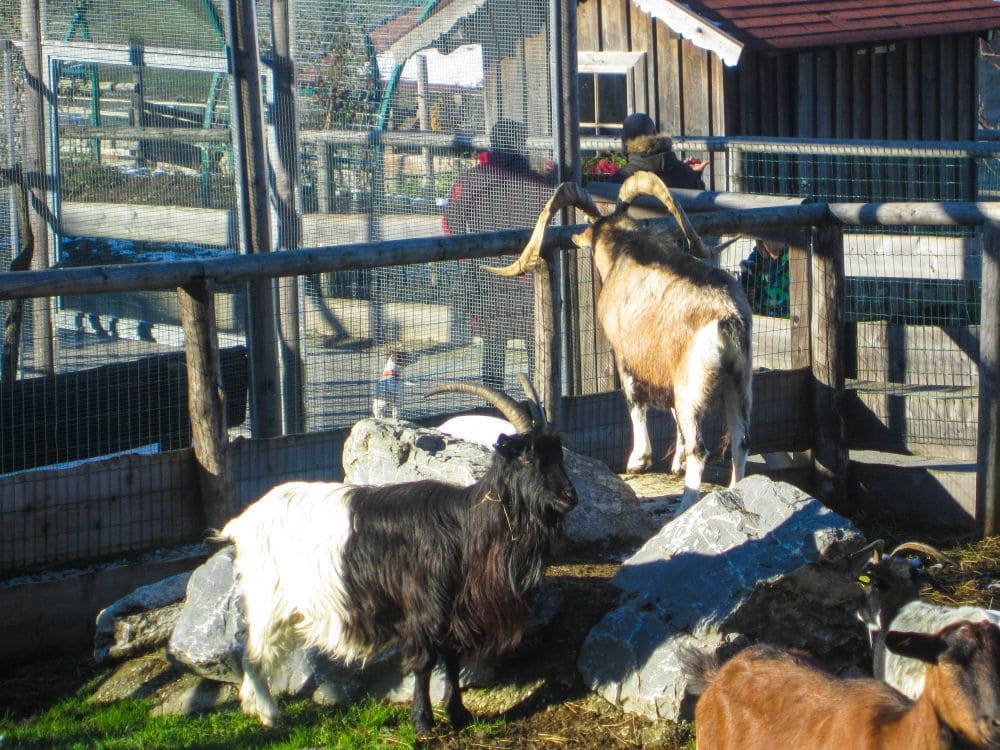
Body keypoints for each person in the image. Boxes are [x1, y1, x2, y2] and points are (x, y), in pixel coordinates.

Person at [442, 119, 551, 389]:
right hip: (528, 274)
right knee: (536, 345)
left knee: (493, 348)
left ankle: (494, 406)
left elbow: (449, 224)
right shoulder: (536, 182)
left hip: (488, 274)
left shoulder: (471, 180)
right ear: (518, 144)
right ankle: (539, 408)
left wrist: (469, 257)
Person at [614, 112, 709, 190]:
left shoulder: (619, 180)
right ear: (655, 133)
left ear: (623, 140)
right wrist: (692, 174)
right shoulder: (686, 175)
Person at [738, 238, 790, 317]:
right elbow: (744, 301)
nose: (776, 245)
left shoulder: (793, 257)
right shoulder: (756, 258)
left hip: (788, 318)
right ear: (761, 242)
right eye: (770, 238)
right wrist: (746, 277)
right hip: (761, 319)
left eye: (780, 237)